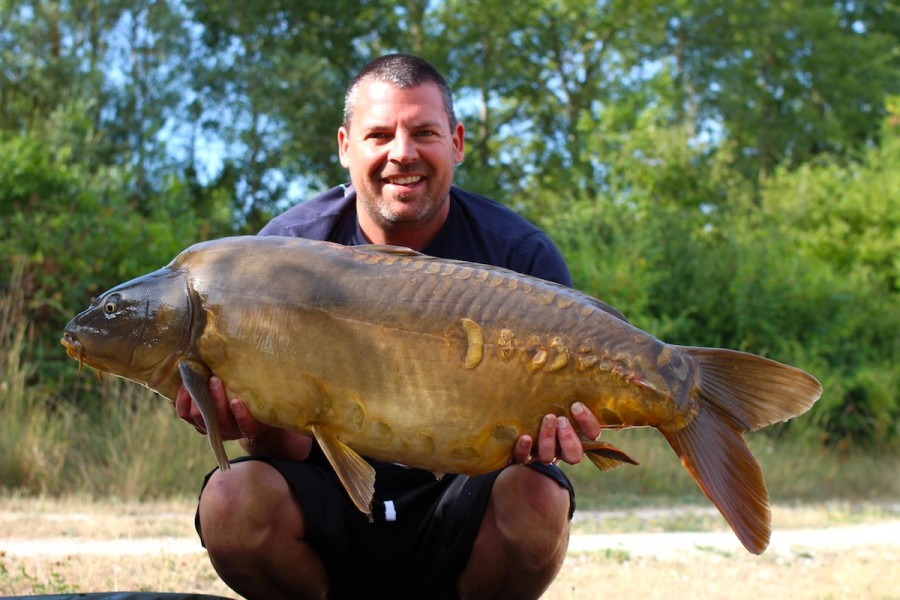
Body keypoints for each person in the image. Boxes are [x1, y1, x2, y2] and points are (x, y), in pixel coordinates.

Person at [175, 53, 602, 599]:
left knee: (538, 499)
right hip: (331, 511)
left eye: (424, 131)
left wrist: (558, 434)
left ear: (457, 142)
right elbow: (292, 449)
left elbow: (556, 427)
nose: (402, 153)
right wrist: (249, 423)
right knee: (232, 502)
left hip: (461, 505)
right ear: (345, 147)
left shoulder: (517, 257)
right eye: (379, 135)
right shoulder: (280, 258)